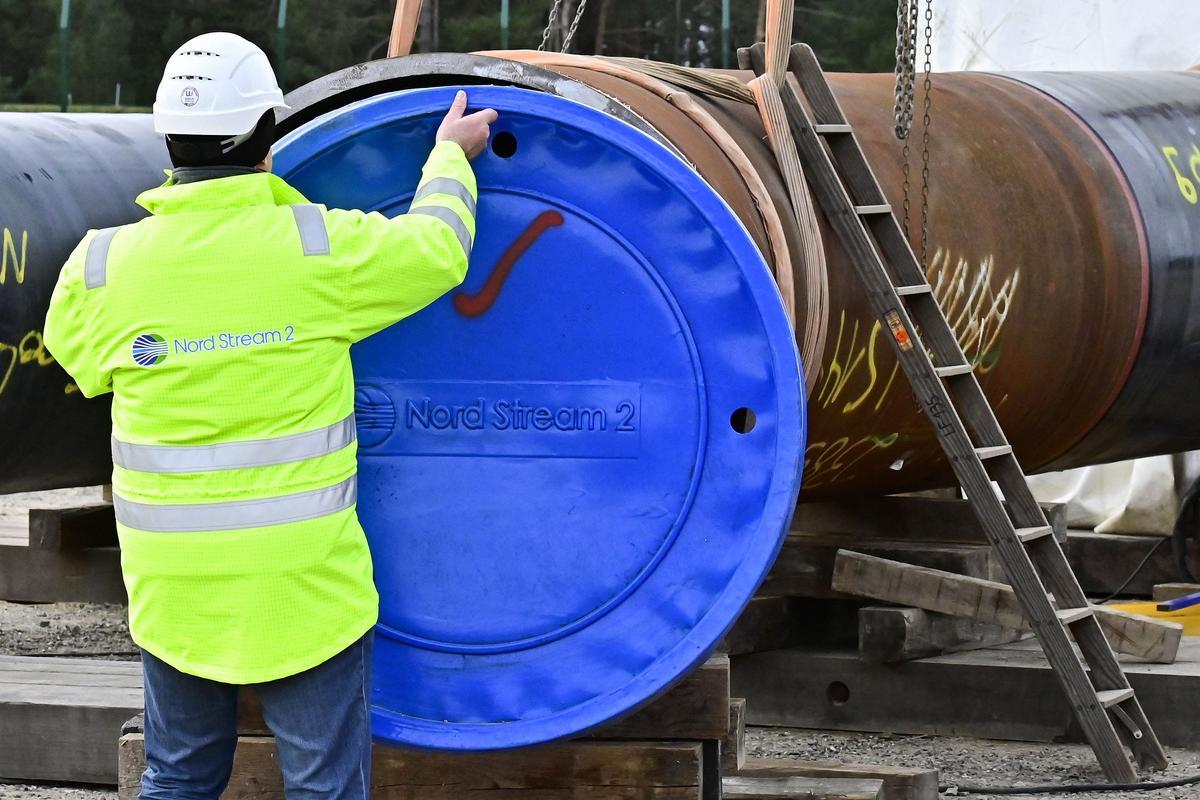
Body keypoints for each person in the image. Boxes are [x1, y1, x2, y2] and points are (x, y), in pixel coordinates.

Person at [43, 32, 496, 800]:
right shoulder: (318, 250)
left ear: (166, 136)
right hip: (302, 588)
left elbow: (79, 358)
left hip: (177, 588)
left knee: (179, 777)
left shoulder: (101, 265)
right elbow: (439, 248)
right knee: (322, 788)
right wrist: (448, 158)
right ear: (268, 134)